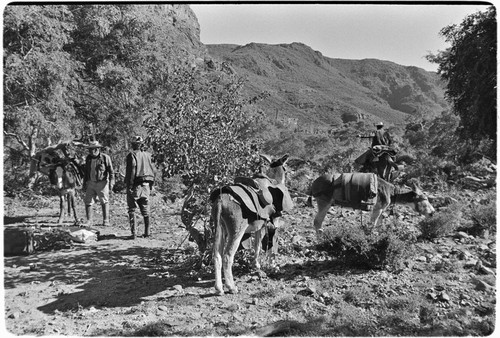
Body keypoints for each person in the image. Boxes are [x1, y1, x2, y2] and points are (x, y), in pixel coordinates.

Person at [125, 136, 156, 239]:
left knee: (132, 209)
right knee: (146, 210)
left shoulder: (132, 155)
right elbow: (153, 170)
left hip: (136, 185)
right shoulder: (149, 155)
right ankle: (147, 232)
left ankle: (134, 233)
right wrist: (151, 185)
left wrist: (129, 185)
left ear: (133, 145)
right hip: (147, 184)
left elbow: (132, 169)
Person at [83, 140, 115, 226]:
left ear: (97, 149)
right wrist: (84, 183)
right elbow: (86, 172)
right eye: (90, 149)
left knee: (104, 201)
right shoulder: (88, 158)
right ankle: (89, 221)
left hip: (102, 183)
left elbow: (111, 171)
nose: (91, 151)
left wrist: (111, 182)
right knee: (88, 201)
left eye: (92, 149)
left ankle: (106, 220)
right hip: (91, 182)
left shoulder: (105, 158)